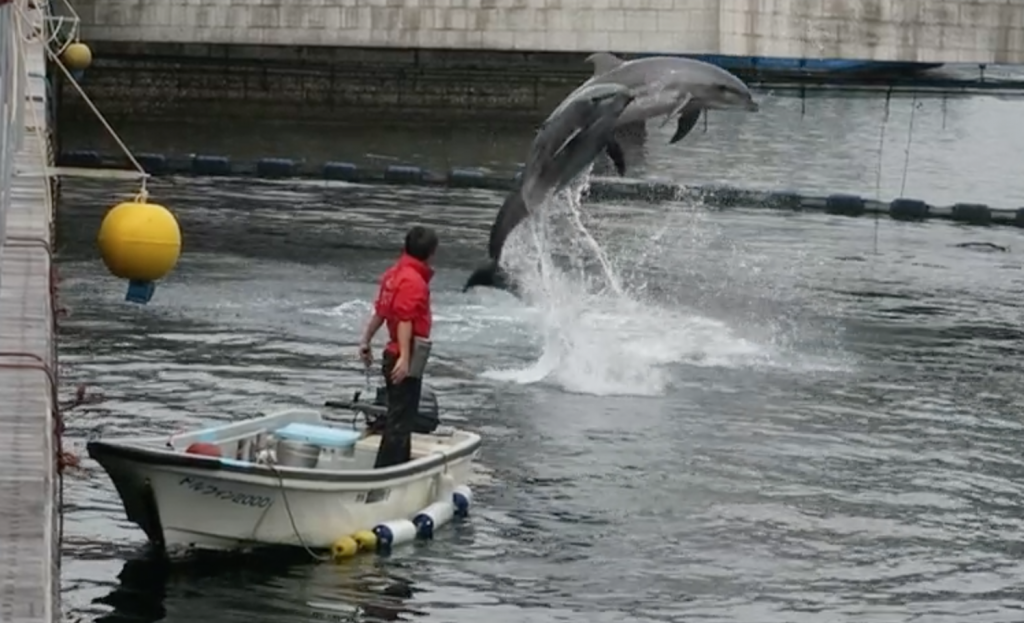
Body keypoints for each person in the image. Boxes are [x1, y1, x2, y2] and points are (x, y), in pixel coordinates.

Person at [358, 225, 438, 468]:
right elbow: (405, 319)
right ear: (431, 253)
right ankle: (386, 472)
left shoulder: (392, 275)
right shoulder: (414, 281)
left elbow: (381, 311)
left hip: (391, 353)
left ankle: (397, 465)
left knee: (398, 415)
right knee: (400, 421)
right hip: (406, 354)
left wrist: (366, 340)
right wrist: (405, 357)